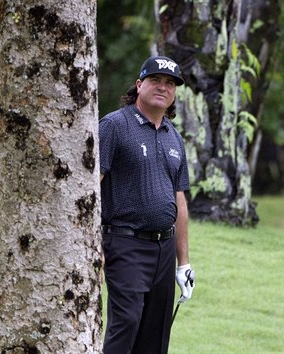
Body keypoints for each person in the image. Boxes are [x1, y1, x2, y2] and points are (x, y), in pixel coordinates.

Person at [99, 56, 195, 354]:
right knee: (126, 322)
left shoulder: (174, 137)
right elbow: (92, 185)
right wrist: (93, 244)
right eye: (155, 81)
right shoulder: (114, 126)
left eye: (170, 84)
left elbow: (179, 200)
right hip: (124, 242)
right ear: (139, 85)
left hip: (163, 250)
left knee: (156, 332)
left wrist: (184, 263)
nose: (162, 88)